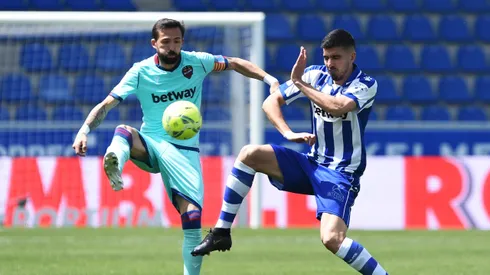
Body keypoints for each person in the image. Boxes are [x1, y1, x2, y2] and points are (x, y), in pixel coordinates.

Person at [71, 18, 279, 275]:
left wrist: (269, 79)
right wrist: (84, 130)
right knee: (124, 130)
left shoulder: (198, 62)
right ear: (154, 43)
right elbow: (107, 103)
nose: (172, 47)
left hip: (184, 152)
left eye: (177, 41)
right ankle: (116, 158)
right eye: (166, 42)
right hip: (150, 145)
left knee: (192, 220)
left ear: (182, 42)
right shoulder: (140, 71)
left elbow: (234, 62)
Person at [191, 29, 389, 275]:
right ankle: (221, 232)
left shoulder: (366, 84)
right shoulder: (315, 75)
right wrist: (287, 132)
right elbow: (269, 102)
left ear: (352, 56)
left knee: (332, 239)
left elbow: (338, 107)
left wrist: (300, 85)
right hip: (311, 163)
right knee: (249, 154)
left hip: (341, 173)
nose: (329, 64)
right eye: (326, 57)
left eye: (336, 58)